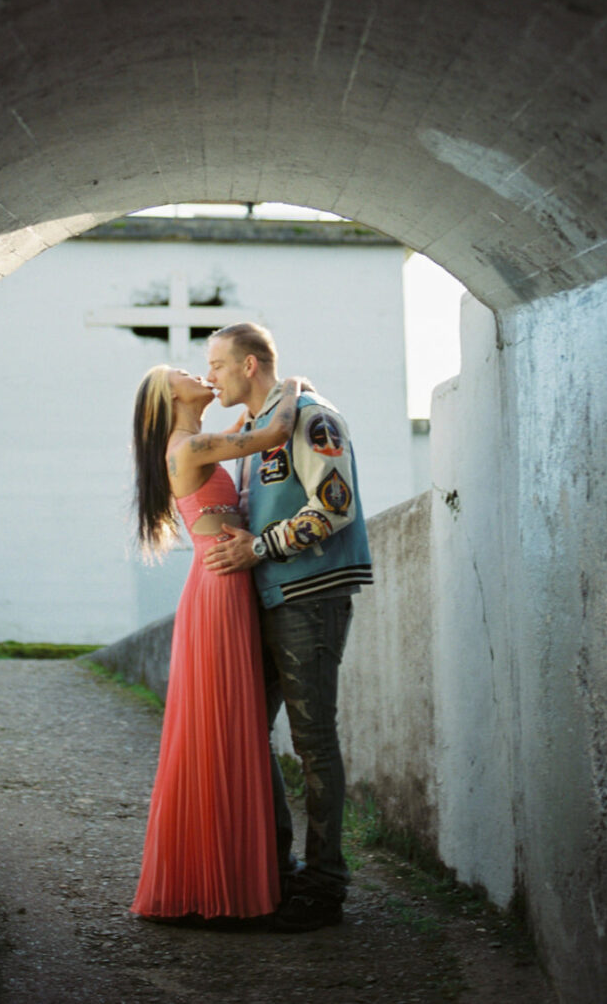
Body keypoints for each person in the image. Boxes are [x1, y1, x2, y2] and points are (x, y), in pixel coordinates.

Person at [203, 323, 373, 933]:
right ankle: (278, 868)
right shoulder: (254, 430)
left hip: (311, 597)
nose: (210, 376)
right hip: (270, 600)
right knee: (247, 730)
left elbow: (334, 502)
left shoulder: (311, 418)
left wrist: (260, 548)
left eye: (218, 365)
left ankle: (325, 888)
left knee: (313, 741)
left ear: (250, 365)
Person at [129, 364, 303, 923]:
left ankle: (230, 874)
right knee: (226, 726)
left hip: (226, 583)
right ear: (168, 397)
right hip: (220, 588)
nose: (193, 372)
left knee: (231, 726)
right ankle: (220, 884)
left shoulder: (195, 443)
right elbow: (274, 434)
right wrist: (291, 384)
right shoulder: (190, 444)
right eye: (179, 372)